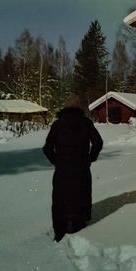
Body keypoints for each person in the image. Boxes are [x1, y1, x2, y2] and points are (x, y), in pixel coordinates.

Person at [43, 98, 103, 242]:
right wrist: (90, 158)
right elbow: (98, 143)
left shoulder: (57, 125)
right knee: (80, 195)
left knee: (60, 198)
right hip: (81, 168)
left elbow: (47, 148)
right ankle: (78, 224)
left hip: (62, 169)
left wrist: (56, 161)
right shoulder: (86, 123)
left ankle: (60, 228)